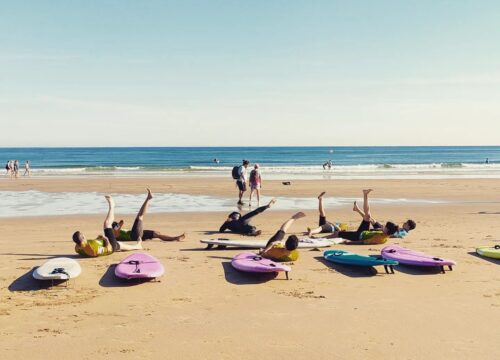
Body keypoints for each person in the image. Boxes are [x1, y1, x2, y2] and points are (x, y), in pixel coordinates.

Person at [72, 195, 143, 257]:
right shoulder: (92, 250)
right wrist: (105, 239)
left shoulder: (77, 248)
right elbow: (107, 249)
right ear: (83, 237)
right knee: (107, 224)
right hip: (111, 246)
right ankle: (112, 206)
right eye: (82, 235)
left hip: (112, 244)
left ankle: (138, 246)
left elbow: (92, 246)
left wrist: (97, 239)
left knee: (120, 245)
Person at [326, 189, 399, 245]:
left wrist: (350, 242)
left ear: (387, 230)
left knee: (338, 234)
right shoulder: (383, 232)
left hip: (357, 236)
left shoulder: (380, 238)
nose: (383, 226)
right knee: (368, 216)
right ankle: (365, 195)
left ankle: (323, 238)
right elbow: (372, 224)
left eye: (385, 226)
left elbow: (363, 242)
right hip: (363, 231)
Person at [112, 190, 185, 242]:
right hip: (134, 236)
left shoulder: (117, 232)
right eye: (115, 226)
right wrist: (117, 226)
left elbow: (120, 224)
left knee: (157, 233)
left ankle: (175, 238)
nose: (117, 227)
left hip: (136, 234)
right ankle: (148, 198)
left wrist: (116, 226)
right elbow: (121, 223)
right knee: (140, 216)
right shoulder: (115, 234)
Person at [352, 200, 416, 238]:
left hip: (384, 231)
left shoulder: (404, 233)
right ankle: (357, 210)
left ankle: (357, 210)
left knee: (369, 219)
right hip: (384, 228)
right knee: (371, 219)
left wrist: (382, 230)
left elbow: (393, 235)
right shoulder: (403, 230)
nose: (404, 223)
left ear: (408, 226)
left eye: (406, 223)